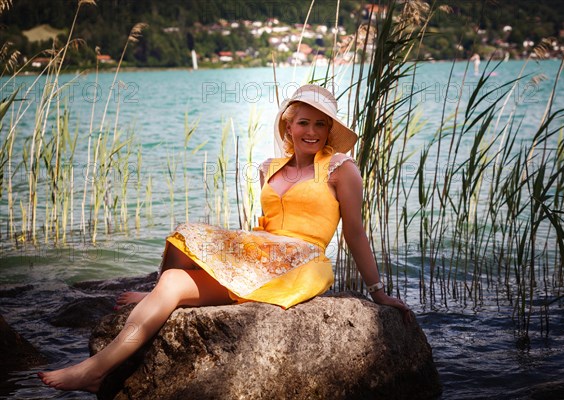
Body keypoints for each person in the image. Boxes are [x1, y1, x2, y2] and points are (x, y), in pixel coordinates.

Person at [38, 84, 412, 393]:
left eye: (320, 124)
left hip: (301, 262)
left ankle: (94, 369)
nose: (311, 131)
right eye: (303, 122)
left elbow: (355, 231)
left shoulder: (341, 168)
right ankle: (151, 305)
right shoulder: (270, 168)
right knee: (181, 247)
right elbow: (265, 223)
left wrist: (377, 291)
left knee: (187, 257)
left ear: (330, 129)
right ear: (288, 126)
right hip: (264, 249)